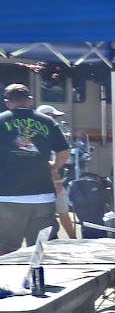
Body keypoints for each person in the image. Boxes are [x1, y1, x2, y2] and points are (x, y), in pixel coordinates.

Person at [0, 84, 71, 252]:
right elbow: (64, 151)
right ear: (30, 101)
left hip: (9, 197)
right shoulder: (47, 121)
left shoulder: (1, 120)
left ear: (7, 102)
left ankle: (7, 278)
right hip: (43, 197)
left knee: (6, 248)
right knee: (41, 249)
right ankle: (40, 278)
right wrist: (54, 166)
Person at [35, 105, 76, 238]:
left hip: (35, 181)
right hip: (49, 180)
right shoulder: (47, 135)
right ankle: (73, 240)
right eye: (53, 116)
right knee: (63, 211)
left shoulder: (36, 134)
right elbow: (49, 163)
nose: (55, 120)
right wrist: (56, 180)